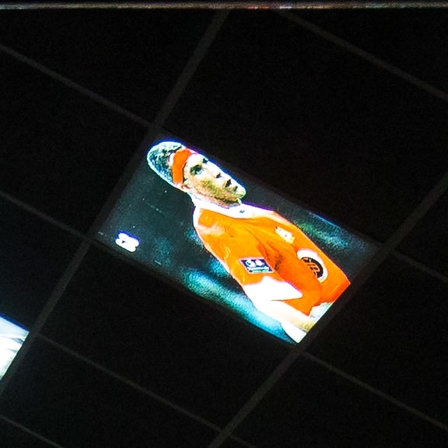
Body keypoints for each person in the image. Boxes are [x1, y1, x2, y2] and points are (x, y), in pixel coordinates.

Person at [135, 142, 353, 343]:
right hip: (320, 313)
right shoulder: (221, 229)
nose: (215, 171)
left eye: (204, 162)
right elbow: (267, 300)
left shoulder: (234, 210)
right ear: (186, 187)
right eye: (197, 171)